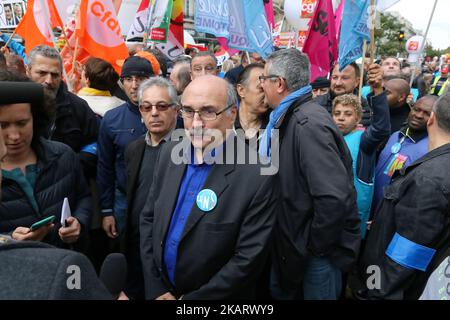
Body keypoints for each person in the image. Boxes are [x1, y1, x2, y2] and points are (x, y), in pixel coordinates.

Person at [140, 75, 277, 299]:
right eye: (188, 111)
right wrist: (156, 288)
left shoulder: (259, 175)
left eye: (208, 111)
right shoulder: (169, 152)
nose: (195, 123)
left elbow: (248, 259)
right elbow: (148, 219)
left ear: (232, 114)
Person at [262, 49, 360, 300]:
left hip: (314, 256)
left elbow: (333, 198)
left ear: (279, 83)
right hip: (293, 246)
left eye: (264, 79)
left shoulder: (308, 124)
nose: (261, 85)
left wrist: (313, 246)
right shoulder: (290, 116)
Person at [360, 93, 450, 300]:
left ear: (432, 118)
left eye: (425, 112)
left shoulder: (429, 179)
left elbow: (406, 257)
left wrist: (377, 294)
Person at [0, 71, 91, 249]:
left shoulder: (63, 156)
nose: (14, 135)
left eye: (22, 123)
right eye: (2, 125)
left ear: (36, 118)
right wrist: (9, 240)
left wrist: (79, 222)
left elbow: (84, 197)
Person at [123, 77, 179, 300]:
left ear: (175, 110)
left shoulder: (190, 150)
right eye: (147, 107)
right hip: (136, 251)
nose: (154, 113)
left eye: (162, 106)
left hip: (168, 255)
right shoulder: (134, 149)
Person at [331, 64, 390, 238]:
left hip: (351, 218)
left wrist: (378, 91)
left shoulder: (364, 140)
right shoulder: (327, 137)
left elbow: (381, 128)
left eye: (348, 114)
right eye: (337, 113)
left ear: (357, 118)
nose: (341, 117)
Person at [97, 56, 153, 240]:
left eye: (140, 78)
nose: (134, 85)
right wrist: (107, 211)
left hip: (159, 198)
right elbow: (105, 167)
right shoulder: (111, 119)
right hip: (123, 199)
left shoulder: (170, 116)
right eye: (128, 79)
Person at [26, 46, 99, 180]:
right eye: (42, 73)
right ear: (28, 71)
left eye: (55, 75)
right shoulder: (12, 105)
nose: (48, 80)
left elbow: (93, 144)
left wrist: (71, 167)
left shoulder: (79, 107)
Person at [372, 95, 438, 211]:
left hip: (393, 213)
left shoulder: (430, 149)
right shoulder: (395, 135)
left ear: (434, 118)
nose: (418, 115)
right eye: (416, 109)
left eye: (427, 113)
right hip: (371, 206)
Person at [315, 63, 372, 127]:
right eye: (335, 77)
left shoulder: (366, 108)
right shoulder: (316, 104)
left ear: (356, 82)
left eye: (344, 78)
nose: (338, 83)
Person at [235, 63, 269, 141]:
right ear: (241, 90)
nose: (267, 94)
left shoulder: (276, 124)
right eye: (261, 89)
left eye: (269, 88)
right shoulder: (224, 123)